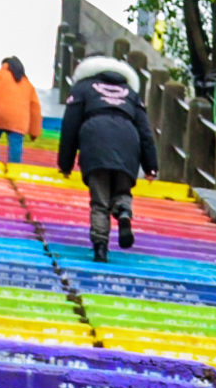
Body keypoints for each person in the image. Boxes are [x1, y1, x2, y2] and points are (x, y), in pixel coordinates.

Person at [55, 54, 157, 258]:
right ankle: (124, 212)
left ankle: (100, 246)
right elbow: (145, 131)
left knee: (100, 200)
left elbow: (70, 127)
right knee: (122, 189)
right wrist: (150, 166)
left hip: (96, 141)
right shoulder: (131, 94)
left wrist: (65, 164)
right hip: (128, 141)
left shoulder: (82, 88)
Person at [0, 55, 43, 164]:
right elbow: (35, 109)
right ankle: (14, 167)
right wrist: (34, 132)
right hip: (19, 120)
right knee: (16, 143)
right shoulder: (27, 84)